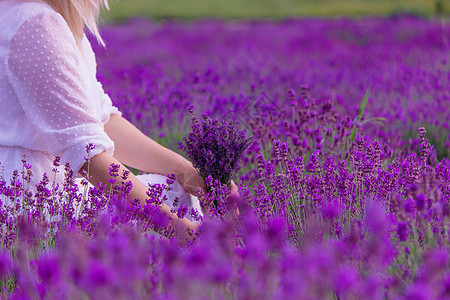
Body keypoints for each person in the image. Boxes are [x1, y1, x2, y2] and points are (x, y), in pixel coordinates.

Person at [0, 0, 237, 243]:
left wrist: (184, 171)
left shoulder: (47, 18)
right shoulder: (36, 24)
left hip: (44, 194)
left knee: (177, 193)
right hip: (30, 206)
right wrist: (184, 232)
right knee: (177, 207)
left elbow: (100, 120)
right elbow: (87, 153)